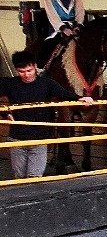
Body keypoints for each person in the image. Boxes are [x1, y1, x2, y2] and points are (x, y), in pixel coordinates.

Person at [0, 50, 94, 178]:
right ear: (16, 70)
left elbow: (64, 93)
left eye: (29, 71)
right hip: (17, 139)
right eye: (21, 72)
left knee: (35, 176)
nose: (26, 75)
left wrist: (80, 98)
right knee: (19, 177)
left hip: (40, 139)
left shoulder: (47, 83)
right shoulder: (9, 84)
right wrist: (4, 112)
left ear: (35, 66)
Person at [38, 0, 86, 69]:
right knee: (48, 47)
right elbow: (51, 14)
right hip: (58, 29)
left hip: (74, 28)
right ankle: (41, 70)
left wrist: (78, 25)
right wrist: (63, 28)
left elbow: (80, 12)